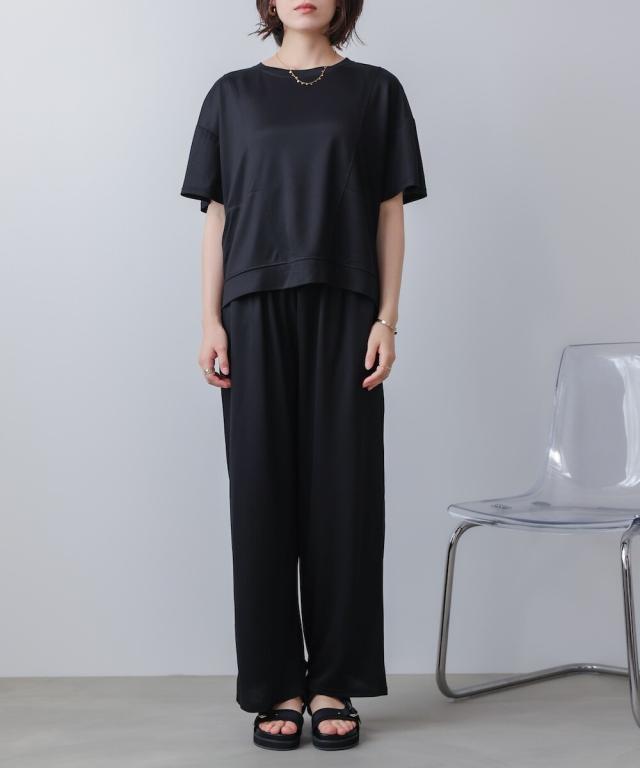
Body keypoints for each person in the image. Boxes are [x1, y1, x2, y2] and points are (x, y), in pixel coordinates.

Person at [180, 0, 427, 751]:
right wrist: (210, 320)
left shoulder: (376, 90)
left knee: (345, 497)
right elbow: (217, 217)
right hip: (252, 310)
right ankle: (275, 683)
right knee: (260, 495)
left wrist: (387, 319)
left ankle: (333, 682)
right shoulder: (231, 94)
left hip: (346, 307)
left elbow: (389, 211)